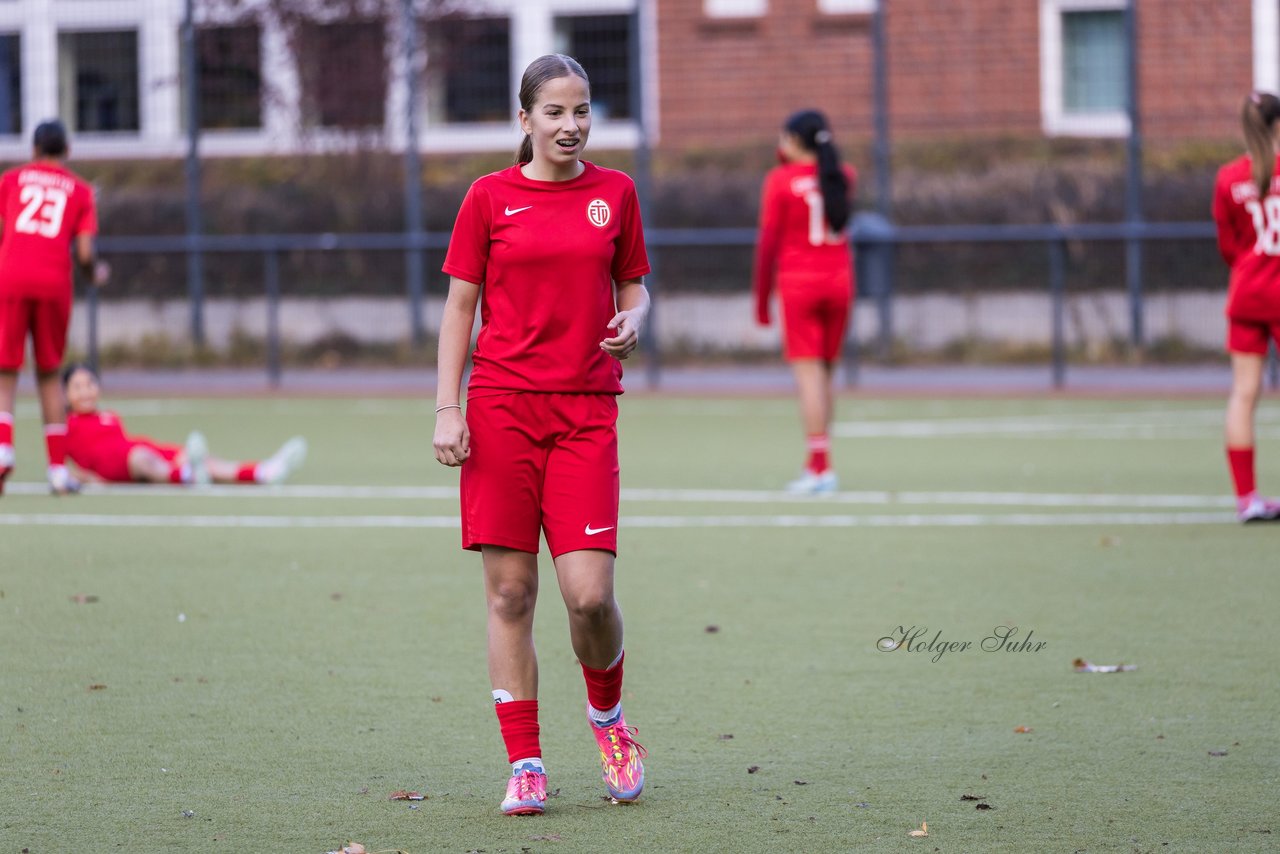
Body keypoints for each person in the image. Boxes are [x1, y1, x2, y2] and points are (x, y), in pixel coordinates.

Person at [432, 54, 651, 816]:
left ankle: (609, 720)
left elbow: (634, 281)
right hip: (500, 410)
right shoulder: (488, 198)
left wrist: (636, 317)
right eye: (555, 113)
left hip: (587, 409)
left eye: (582, 111)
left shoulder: (616, 193)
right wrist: (446, 407)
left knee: (589, 598)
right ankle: (525, 761)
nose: (571, 126)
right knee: (512, 594)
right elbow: (461, 308)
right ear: (524, 120)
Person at [0, 119, 110, 495]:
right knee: (48, 373)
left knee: (5, 370)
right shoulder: (80, 190)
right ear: (68, 151)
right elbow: (83, 251)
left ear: (32, 151)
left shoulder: (12, 180)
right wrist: (95, 273)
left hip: (10, 276)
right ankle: (58, 472)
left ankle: (2, 450)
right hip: (53, 282)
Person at [753, 109, 855, 494]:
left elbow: (768, 244)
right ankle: (820, 462)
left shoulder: (779, 180)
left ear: (795, 141)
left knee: (809, 378)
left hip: (799, 286)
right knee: (826, 377)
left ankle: (820, 468)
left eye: (784, 138)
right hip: (840, 283)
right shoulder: (843, 175)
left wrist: (761, 302)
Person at [61, 363, 306, 486]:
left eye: (90, 384)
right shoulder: (65, 424)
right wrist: (88, 479)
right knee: (142, 457)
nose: (85, 392)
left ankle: (262, 472)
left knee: (192, 455)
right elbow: (65, 464)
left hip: (142, 450)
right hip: (127, 464)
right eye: (77, 387)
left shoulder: (110, 416)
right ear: (65, 394)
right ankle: (188, 475)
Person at [1212, 91, 1280, 523]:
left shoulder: (1228, 177)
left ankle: (1248, 499)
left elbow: (1228, 246)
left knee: (1243, 394)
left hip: (1247, 294)